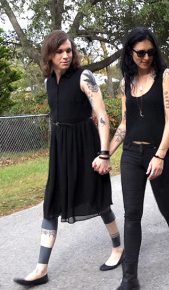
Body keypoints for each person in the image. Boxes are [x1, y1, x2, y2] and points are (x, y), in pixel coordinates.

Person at [13, 30, 123, 286]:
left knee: (98, 200)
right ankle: (41, 268)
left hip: (86, 144)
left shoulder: (84, 77)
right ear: (49, 55)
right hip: (61, 147)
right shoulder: (48, 82)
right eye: (59, 51)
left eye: (68, 50)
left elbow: (103, 116)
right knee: (51, 202)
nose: (65, 55)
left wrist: (104, 154)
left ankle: (118, 248)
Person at [108, 27, 169, 290]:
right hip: (132, 153)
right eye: (141, 52)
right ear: (129, 52)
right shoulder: (125, 83)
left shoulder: (165, 76)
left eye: (151, 52)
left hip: (160, 152)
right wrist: (105, 153)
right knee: (132, 214)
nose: (146, 57)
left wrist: (160, 155)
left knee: (166, 207)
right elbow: (124, 123)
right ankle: (129, 279)